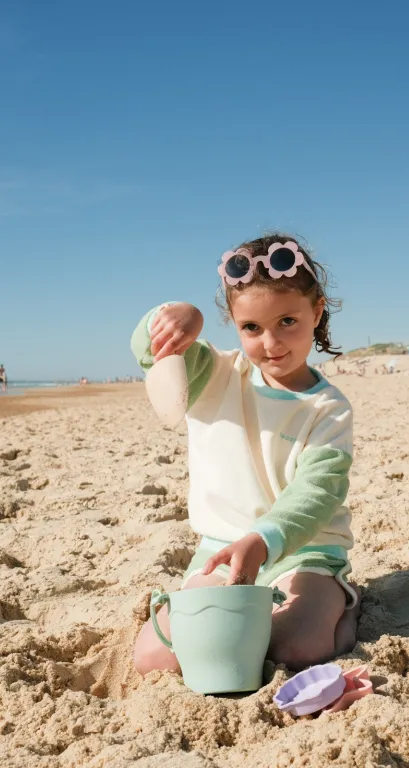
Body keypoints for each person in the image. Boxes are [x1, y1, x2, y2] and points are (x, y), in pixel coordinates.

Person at [130, 234, 358, 675]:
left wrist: (264, 541)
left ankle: (344, 607)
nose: (270, 342)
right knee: (154, 658)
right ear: (235, 325)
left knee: (297, 648)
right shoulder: (214, 374)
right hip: (221, 551)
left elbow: (318, 491)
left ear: (316, 311)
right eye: (252, 328)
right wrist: (181, 316)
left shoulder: (329, 409)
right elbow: (149, 353)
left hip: (303, 554)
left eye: (287, 321)